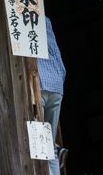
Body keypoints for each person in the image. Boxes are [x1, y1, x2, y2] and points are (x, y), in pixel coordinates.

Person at [39, 15, 66, 175]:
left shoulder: (20, 17)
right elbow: (58, 57)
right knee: (48, 143)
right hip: (56, 86)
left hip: (38, 85)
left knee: (39, 142)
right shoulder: (46, 20)